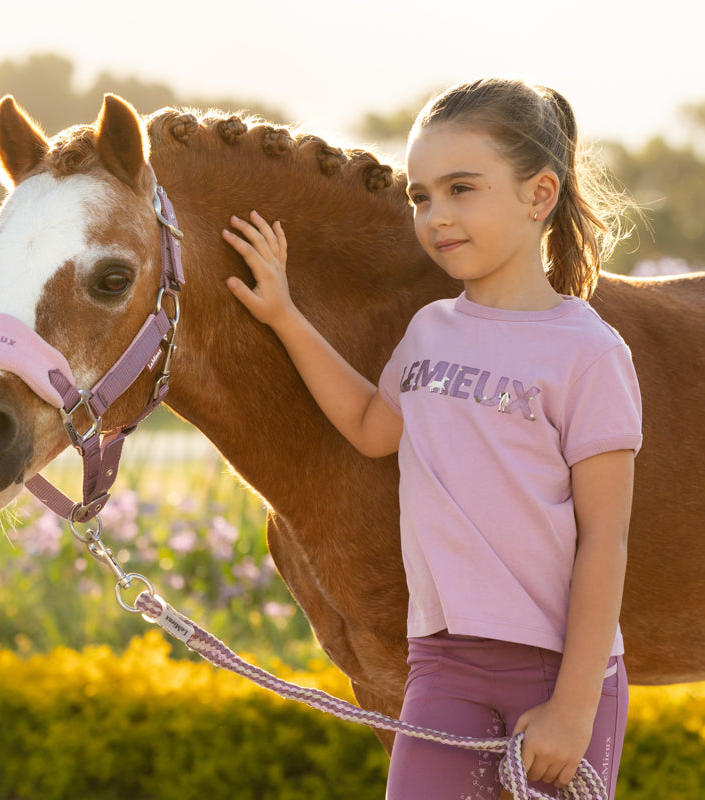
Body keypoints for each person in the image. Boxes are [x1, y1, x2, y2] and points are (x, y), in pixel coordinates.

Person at [222, 78, 642, 800]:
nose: (436, 217)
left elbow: (605, 540)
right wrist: (286, 315)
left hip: (560, 674)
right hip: (442, 669)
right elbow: (368, 427)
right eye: (421, 196)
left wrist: (574, 709)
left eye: (460, 189)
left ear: (539, 196)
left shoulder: (589, 353)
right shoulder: (430, 330)